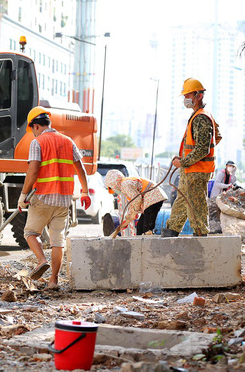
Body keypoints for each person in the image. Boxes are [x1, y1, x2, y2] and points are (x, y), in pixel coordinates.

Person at [18, 106, 90, 289]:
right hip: (64, 199)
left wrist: (23, 195)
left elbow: (33, 170)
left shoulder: (38, 142)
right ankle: (53, 281)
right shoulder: (68, 141)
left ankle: (42, 260)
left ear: (35, 126)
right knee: (57, 241)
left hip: (42, 197)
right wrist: (85, 192)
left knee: (30, 233)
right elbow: (80, 169)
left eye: (32, 131)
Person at [164, 78, 221, 237]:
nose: (185, 99)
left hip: (196, 170)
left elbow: (202, 149)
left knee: (196, 206)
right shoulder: (200, 115)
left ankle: (201, 235)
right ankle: (171, 230)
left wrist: (183, 162)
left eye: (188, 95)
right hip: (191, 169)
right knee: (181, 202)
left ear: (199, 96)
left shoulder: (201, 117)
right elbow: (217, 137)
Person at [104, 170, 167, 236]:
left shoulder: (125, 185)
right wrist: (128, 219)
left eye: (111, 188)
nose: (113, 190)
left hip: (154, 197)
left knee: (147, 228)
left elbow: (137, 199)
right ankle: (141, 243)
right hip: (151, 199)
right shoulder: (124, 185)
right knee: (140, 228)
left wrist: (135, 211)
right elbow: (133, 203)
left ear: (114, 183)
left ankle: (148, 242)